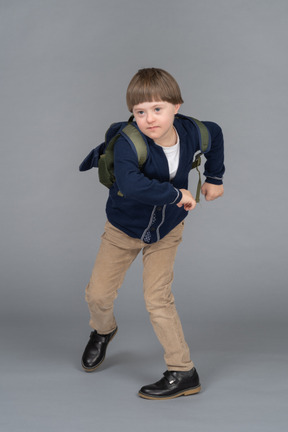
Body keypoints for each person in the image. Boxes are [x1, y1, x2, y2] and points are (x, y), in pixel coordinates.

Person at [81, 68, 224, 400]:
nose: (148, 118)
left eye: (157, 109)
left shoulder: (193, 131)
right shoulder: (129, 142)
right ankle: (103, 331)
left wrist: (215, 177)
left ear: (176, 105)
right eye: (139, 112)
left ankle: (183, 371)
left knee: (158, 300)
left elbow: (215, 135)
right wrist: (177, 195)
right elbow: (130, 184)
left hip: (167, 230)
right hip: (123, 228)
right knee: (97, 295)